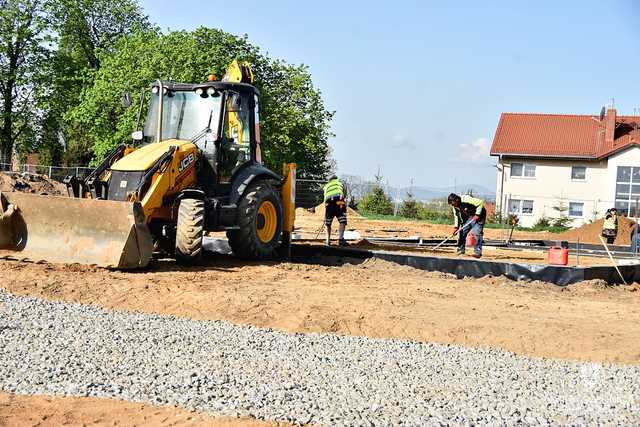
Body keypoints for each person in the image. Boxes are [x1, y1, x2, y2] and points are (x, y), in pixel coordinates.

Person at [447, 193, 486, 258]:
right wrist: (456, 227)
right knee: (462, 231)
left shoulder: (466, 199)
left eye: (453, 203)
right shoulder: (455, 207)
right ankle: (460, 249)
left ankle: (478, 252)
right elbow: (456, 216)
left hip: (480, 216)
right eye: (451, 204)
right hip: (469, 216)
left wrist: (477, 214)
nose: (452, 205)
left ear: (457, 200)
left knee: (477, 233)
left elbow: (480, 203)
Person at [323, 175, 347, 246]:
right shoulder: (340, 183)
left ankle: (327, 241)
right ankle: (340, 239)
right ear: (336, 179)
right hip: (339, 201)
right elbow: (344, 194)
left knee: (328, 223)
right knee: (342, 220)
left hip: (329, 202)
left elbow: (325, 197)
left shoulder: (326, 186)